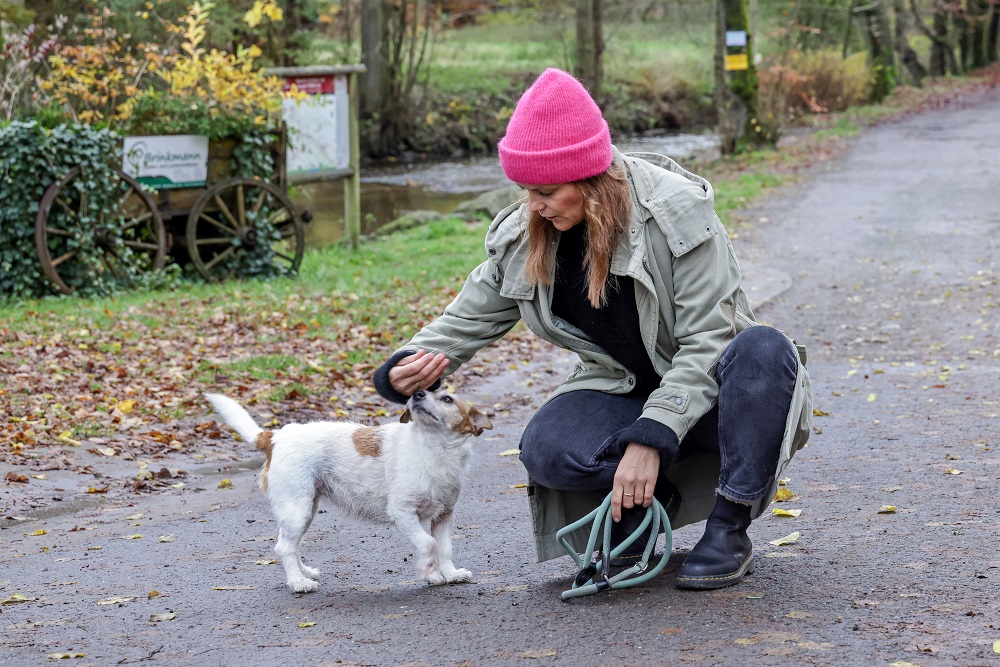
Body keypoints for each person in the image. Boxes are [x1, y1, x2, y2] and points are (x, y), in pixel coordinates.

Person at [373, 68, 813, 590]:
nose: (532, 204)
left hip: (717, 394)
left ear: (590, 178)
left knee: (764, 349)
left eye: (545, 190)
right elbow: (467, 317)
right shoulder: (526, 233)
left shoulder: (676, 211)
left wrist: (651, 438)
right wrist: (408, 365)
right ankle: (647, 506)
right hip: (624, 392)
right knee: (546, 447)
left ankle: (729, 526)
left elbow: (707, 341)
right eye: (523, 189)